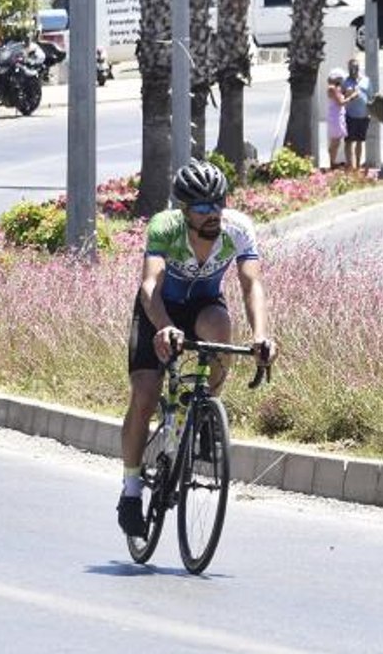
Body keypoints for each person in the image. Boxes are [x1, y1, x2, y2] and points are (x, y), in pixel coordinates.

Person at [117, 159, 278, 538]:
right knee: (144, 394)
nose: (213, 213)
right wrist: (164, 327)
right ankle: (130, 489)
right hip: (160, 310)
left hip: (205, 306)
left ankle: (203, 414)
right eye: (203, 207)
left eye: (219, 203)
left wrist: (261, 335)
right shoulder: (166, 227)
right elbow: (150, 287)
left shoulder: (237, 229)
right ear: (185, 211)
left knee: (221, 328)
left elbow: (251, 283)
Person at [342, 58, 371, 172]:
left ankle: (358, 166)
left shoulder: (366, 80)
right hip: (350, 115)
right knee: (349, 141)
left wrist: (371, 111)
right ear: (348, 69)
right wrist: (348, 95)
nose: (354, 70)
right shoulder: (345, 82)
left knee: (360, 141)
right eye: (351, 68)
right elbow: (341, 98)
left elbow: (370, 96)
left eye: (356, 67)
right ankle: (350, 165)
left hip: (364, 115)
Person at [326, 68, 354, 170]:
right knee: (335, 141)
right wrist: (351, 97)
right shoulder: (332, 88)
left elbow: (341, 100)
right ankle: (332, 163)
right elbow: (340, 103)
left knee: (336, 141)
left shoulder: (336, 88)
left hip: (338, 116)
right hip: (335, 117)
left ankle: (333, 162)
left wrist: (347, 94)